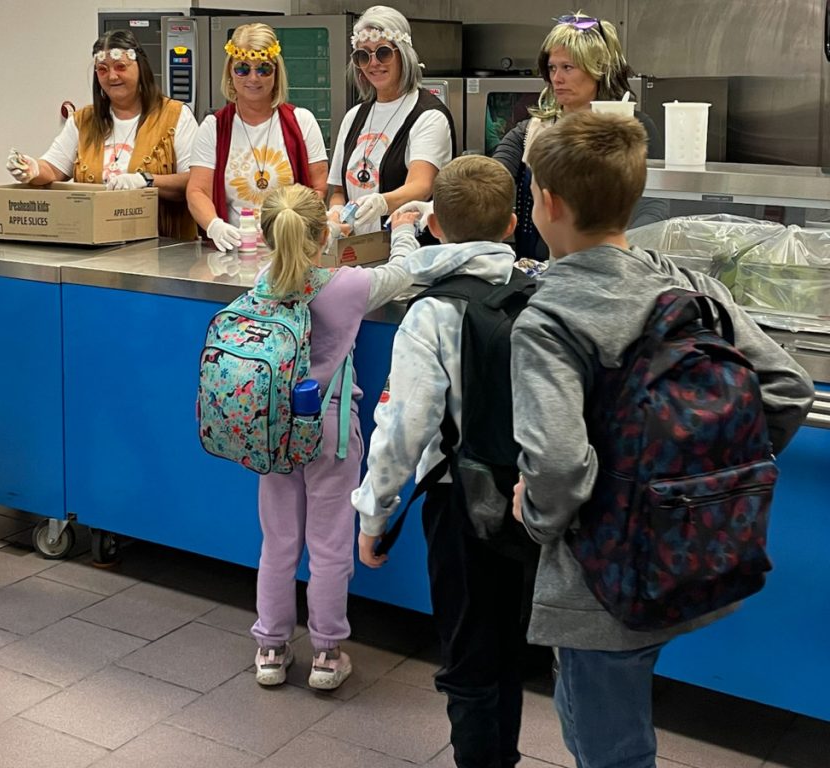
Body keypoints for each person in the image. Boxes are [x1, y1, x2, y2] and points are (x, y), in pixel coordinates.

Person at [510, 111, 814, 768]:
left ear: (548, 204)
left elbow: (560, 466)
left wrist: (532, 514)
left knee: (608, 746)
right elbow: (789, 389)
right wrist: (701, 478)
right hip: (696, 553)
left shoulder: (550, 318)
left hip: (600, 587)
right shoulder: (691, 287)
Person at [352, 156, 532, 768]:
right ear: (512, 225)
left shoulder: (432, 312)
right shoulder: (540, 292)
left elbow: (403, 428)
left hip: (461, 504)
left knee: (469, 656)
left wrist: (374, 515)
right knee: (511, 645)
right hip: (533, 500)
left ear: (435, 227)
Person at [250, 184, 413, 690]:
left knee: (278, 542)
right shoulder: (346, 285)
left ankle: (271, 648)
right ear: (320, 234)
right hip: (330, 432)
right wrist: (403, 228)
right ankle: (325, 653)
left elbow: (299, 255)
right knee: (329, 544)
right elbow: (404, 272)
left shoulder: (262, 280)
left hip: (275, 433)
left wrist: (326, 231)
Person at [493, 12, 665, 260]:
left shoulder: (635, 129)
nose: (557, 78)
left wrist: (617, 253)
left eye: (568, 68)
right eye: (552, 68)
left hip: (617, 264)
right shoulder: (530, 132)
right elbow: (491, 180)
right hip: (541, 268)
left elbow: (655, 204)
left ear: (599, 70)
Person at [6, 30, 199, 240]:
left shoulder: (176, 116)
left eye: (120, 67)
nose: (112, 76)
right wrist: (32, 169)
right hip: (98, 248)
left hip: (164, 248)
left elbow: (194, 181)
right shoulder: (84, 121)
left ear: (141, 68)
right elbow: (52, 169)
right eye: (102, 70)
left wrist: (146, 180)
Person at [187, 23, 328, 252]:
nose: (253, 78)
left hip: (291, 252)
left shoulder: (302, 122)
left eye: (263, 69)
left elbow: (319, 189)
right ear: (230, 73)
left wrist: (293, 228)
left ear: (277, 72)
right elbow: (197, 191)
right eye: (243, 68)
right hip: (234, 250)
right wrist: (214, 226)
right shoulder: (214, 128)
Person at [328, 6, 455, 236]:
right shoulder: (354, 117)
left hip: (407, 251)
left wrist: (382, 203)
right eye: (363, 55)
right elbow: (338, 189)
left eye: (383, 53)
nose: (373, 63)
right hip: (358, 252)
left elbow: (422, 186)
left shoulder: (428, 116)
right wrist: (336, 212)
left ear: (403, 55)